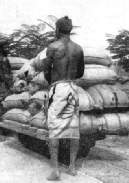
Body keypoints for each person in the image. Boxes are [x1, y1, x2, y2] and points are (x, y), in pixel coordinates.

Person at [32, 16, 84, 181]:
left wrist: (38, 65)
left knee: (54, 130)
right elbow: (81, 73)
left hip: (58, 89)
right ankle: (73, 167)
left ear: (58, 30)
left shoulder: (53, 47)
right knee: (73, 129)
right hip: (72, 89)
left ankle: (55, 170)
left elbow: (45, 69)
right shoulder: (78, 48)